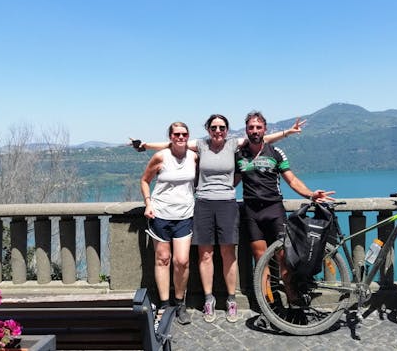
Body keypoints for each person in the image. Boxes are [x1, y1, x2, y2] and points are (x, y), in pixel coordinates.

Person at [131, 115, 305, 323]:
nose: (218, 130)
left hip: (227, 204)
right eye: (214, 127)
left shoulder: (233, 144)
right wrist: (145, 145)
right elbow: (173, 143)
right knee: (205, 255)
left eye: (222, 127)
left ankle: (231, 299)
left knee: (228, 253)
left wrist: (287, 132)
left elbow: (261, 138)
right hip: (203, 203)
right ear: (208, 129)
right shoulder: (201, 145)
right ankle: (208, 299)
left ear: (227, 129)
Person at [234, 111, 334, 302]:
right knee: (260, 258)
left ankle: (291, 296)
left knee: (283, 256)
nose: (254, 131)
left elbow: (292, 180)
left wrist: (310, 194)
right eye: (251, 127)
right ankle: (267, 301)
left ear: (265, 129)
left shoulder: (275, 152)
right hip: (251, 211)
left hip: (274, 210)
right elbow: (233, 181)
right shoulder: (240, 155)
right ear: (246, 130)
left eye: (258, 127)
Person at [140, 122, 198, 325]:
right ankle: (164, 304)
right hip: (161, 213)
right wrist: (148, 204)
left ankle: (179, 302)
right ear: (171, 136)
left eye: (184, 134)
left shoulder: (194, 157)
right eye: (176, 134)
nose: (180, 137)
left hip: (184, 215)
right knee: (163, 259)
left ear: (188, 136)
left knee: (182, 261)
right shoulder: (161, 157)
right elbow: (145, 180)